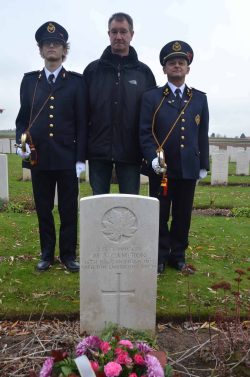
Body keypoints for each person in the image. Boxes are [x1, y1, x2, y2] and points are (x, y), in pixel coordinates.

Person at [16, 21, 87, 272]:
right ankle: (47, 254)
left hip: (67, 158)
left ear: (63, 50)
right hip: (39, 158)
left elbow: (81, 123)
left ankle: (68, 255)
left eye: (56, 44)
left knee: (69, 210)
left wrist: (80, 159)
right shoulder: (29, 82)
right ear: (41, 50)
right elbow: (23, 119)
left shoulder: (77, 83)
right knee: (43, 209)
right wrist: (20, 143)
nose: (52, 47)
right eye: (47, 44)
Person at [139, 40, 209, 274]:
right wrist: (152, 158)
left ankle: (177, 256)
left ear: (188, 68)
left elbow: (202, 134)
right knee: (159, 214)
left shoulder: (199, 98)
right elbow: (145, 132)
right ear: (164, 68)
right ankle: (158, 255)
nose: (177, 66)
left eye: (181, 62)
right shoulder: (152, 97)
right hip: (162, 169)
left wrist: (204, 164)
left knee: (182, 215)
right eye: (172, 63)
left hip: (188, 167)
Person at [83, 12, 156, 195]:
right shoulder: (93, 70)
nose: (119, 37)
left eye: (123, 31)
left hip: (131, 152)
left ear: (132, 34)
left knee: (130, 207)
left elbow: (151, 116)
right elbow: (83, 112)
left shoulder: (144, 74)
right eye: (114, 32)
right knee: (99, 206)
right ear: (108, 34)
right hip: (98, 151)